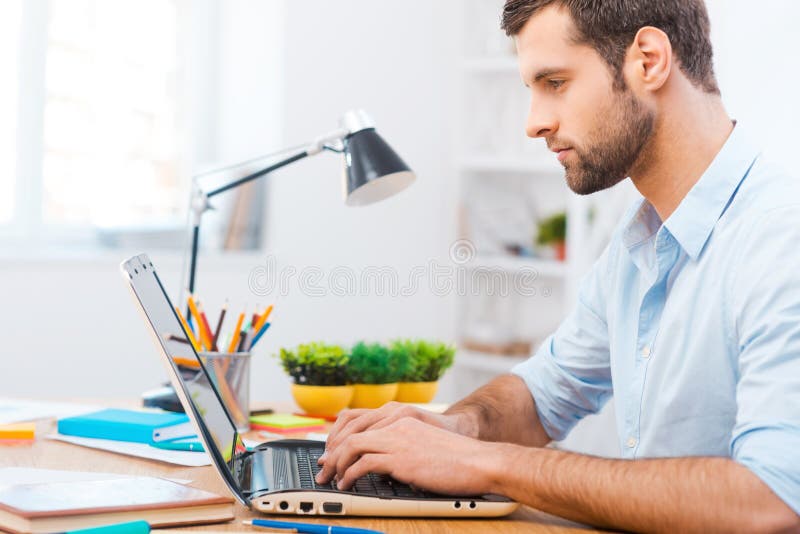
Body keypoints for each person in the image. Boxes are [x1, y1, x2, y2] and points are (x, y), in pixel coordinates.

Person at [316, 1, 800, 531]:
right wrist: (455, 428)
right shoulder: (639, 241)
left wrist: (486, 463)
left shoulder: (780, 241)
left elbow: (772, 501)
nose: (535, 123)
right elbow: (546, 391)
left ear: (649, 61)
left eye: (555, 82)